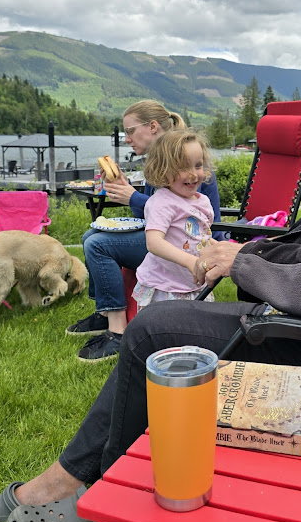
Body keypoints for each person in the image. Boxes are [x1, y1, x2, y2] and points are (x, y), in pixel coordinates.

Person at [0, 11, 301, 522]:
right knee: (158, 320)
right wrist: (252, 255)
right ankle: (90, 482)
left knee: (156, 329)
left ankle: (76, 490)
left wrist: (246, 264)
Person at [66, 99, 222, 362]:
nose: (127, 139)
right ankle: (104, 312)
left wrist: (132, 197)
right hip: (171, 240)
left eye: (129, 131)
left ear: (152, 127)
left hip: (183, 242)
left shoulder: (185, 161)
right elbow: (154, 212)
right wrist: (128, 190)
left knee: (97, 244)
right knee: (90, 236)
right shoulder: (161, 165)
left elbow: (192, 216)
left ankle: (117, 330)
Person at [132, 129, 215, 308]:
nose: (193, 174)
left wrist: (217, 249)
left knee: (199, 324)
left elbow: (201, 237)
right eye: (183, 167)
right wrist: (190, 261)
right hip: (164, 287)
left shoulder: (203, 202)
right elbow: (154, 243)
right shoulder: (162, 202)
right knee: (163, 326)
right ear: (162, 170)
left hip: (194, 285)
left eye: (198, 165)